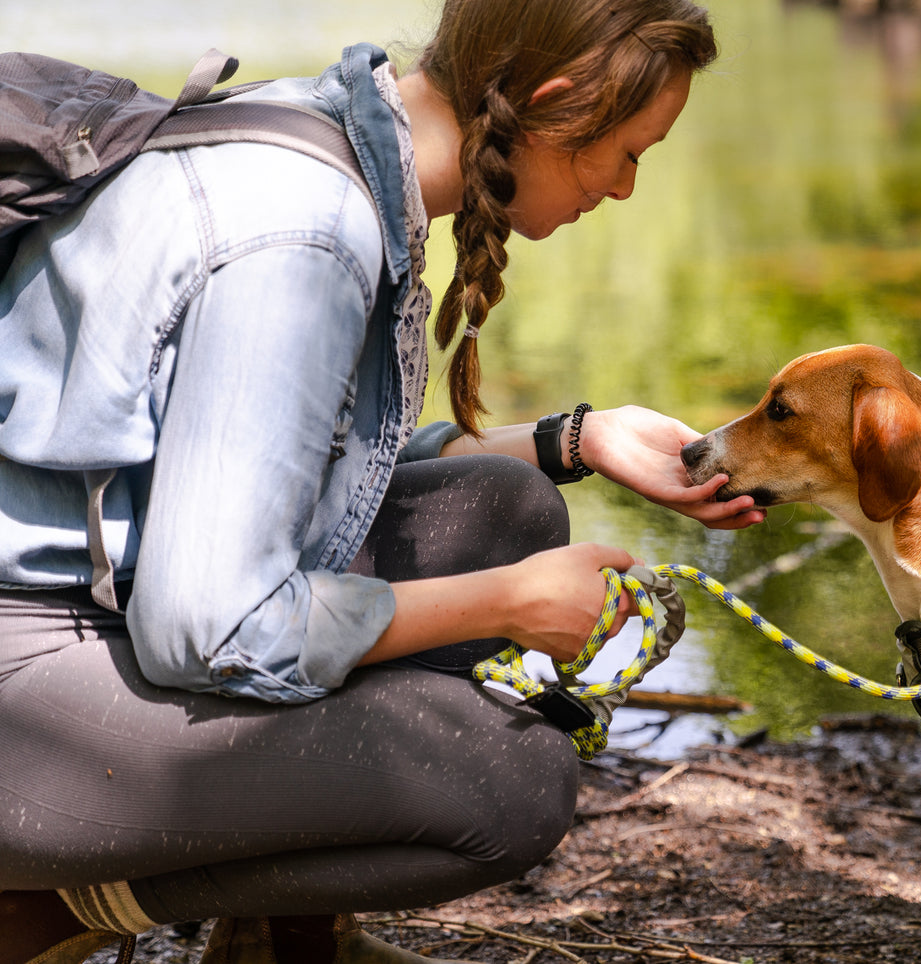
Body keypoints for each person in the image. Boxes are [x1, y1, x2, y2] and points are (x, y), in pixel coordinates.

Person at [0, 1, 765, 962]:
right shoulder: (304, 237)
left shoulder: (328, 130)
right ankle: (42, 917)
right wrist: (509, 602)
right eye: (628, 152)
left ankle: (282, 944)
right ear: (555, 103)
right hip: (26, 688)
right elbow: (214, 628)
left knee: (508, 509)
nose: (622, 188)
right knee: (506, 780)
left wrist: (577, 441)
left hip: (86, 610)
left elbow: (278, 471)